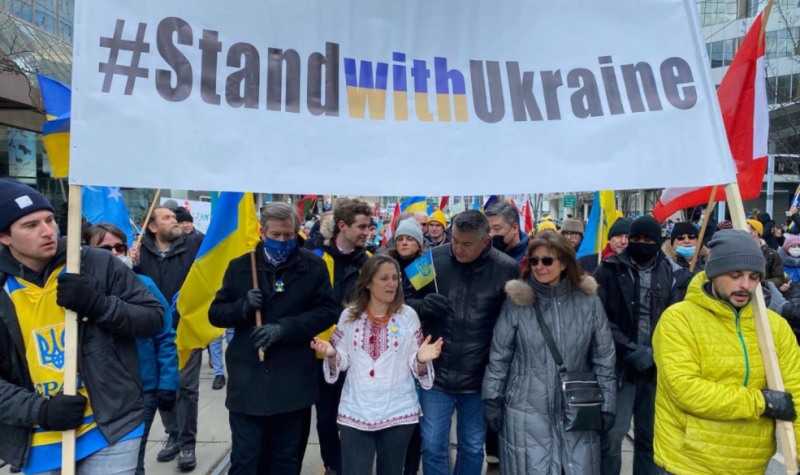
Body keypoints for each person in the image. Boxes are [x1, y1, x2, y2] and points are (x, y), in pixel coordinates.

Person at [0, 179, 165, 474]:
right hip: (36, 433)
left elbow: (153, 318)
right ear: (4, 237)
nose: (48, 231)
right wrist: (39, 410)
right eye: (30, 225)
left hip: (112, 424)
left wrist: (100, 305)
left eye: (49, 219)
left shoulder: (96, 263)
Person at [652, 230, 800, 474]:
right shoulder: (678, 320)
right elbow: (685, 389)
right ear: (714, 273)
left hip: (750, 462)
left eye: (754, 277)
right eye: (735, 275)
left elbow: (795, 389)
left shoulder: (773, 326)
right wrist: (762, 402)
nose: (745, 285)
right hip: (690, 462)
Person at [209, 202, 338, 475]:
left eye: (288, 235)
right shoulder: (241, 267)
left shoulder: (313, 266)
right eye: (276, 235)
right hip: (248, 383)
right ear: (262, 232)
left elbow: (327, 311)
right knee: (245, 462)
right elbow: (216, 314)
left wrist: (285, 328)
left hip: (292, 385)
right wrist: (242, 307)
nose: (282, 241)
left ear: (297, 232)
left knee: (286, 462)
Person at [482, 232, 616, 475]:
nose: (539, 267)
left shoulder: (588, 301)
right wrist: (492, 398)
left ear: (564, 262)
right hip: (525, 411)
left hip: (578, 409)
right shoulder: (517, 302)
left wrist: (607, 404)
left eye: (547, 261)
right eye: (534, 261)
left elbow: (604, 358)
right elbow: (499, 355)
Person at [311, 254, 443, 475]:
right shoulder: (349, 316)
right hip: (356, 409)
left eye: (395, 278)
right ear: (369, 283)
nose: (392, 284)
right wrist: (332, 354)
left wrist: (422, 358)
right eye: (384, 278)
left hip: (398, 410)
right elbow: (341, 362)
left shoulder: (408, 316)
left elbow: (416, 366)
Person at [415, 210, 520, 475]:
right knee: (431, 445)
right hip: (436, 374)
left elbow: (514, 323)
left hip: (479, 376)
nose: (458, 249)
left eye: (466, 244)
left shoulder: (507, 268)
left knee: (473, 447)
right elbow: (402, 299)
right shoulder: (431, 258)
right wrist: (422, 305)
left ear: (486, 241)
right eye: (455, 241)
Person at [83, 223, 179, 475]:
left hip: (141, 392)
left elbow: (165, 337)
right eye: (105, 249)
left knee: (131, 465)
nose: (114, 254)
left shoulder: (145, 285)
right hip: (94, 395)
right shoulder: (78, 292)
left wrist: (167, 383)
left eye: (119, 247)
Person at [593, 215, 683, 475]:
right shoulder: (608, 269)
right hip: (619, 369)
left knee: (652, 440)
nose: (640, 243)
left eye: (647, 240)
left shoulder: (673, 274)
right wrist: (630, 349)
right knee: (611, 437)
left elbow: (677, 319)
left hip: (656, 371)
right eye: (635, 239)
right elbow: (598, 319)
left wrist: (657, 353)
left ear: (658, 242)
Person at [132, 205, 203, 471]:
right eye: (167, 218)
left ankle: (187, 442)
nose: (175, 221)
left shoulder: (194, 245)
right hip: (153, 333)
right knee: (164, 386)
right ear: (152, 227)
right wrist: (130, 263)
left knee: (185, 387)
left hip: (186, 330)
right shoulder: (140, 251)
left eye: (175, 217)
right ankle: (173, 433)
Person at [309, 198, 374, 475]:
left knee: (354, 417)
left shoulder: (371, 261)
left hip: (358, 355)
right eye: (361, 227)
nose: (367, 232)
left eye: (369, 227)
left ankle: (352, 465)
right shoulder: (314, 257)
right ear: (342, 225)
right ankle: (333, 465)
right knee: (325, 418)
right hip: (320, 352)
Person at [747, 219, 787, 289]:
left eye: (745, 231)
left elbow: (779, 279)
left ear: (755, 232)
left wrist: (761, 284)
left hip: (764, 296)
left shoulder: (772, 254)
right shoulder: (735, 253)